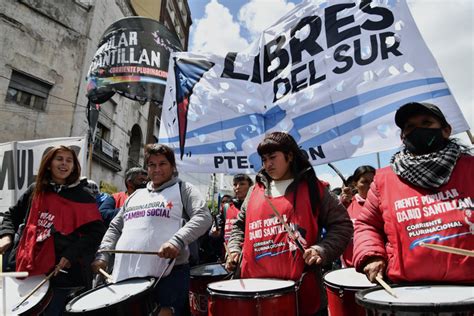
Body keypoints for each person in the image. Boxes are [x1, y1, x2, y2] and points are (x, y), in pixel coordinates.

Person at [226, 132, 353, 316]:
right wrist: (234, 250)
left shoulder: (313, 188)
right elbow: (239, 227)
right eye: (263, 159)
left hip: (302, 296)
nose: (267, 164)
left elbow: (342, 224)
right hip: (254, 295)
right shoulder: (254, 191)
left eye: (272, 157)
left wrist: (322, 250)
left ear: (290, 156)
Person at [353, 102, 474, 284]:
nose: (418, 130)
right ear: (403, 137)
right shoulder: (383, 180)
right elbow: (367, 225)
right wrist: (372, 256)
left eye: (426, 123)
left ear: (446, 130)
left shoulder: (470, 168)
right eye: (410, 127)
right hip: (408, 292)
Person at [91, 143, 212, 316]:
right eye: (152, 165)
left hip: (170, 274)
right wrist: (103, 254)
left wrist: (176, 242)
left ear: (172, 166)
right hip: (129, 275)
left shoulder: (183, 189)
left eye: (162, 164)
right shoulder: (135, 196)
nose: (157, 169)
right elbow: (115, 227)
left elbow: (204, 217)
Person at [0, 145, 105, 315]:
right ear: (49, 164)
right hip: (23, 266)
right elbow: (12, 215)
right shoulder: (36, 190)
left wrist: (70, 254)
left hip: (59, 273)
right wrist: (6, 236)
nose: (64, 164)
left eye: (69, 160)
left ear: (73, 167)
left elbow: (96, 233)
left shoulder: (83, 197)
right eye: (59, 159)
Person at [339, 165, 376, 267]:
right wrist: (342, 203)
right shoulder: (346, 205)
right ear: (355, 184)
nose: (370, 185)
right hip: (351, 268)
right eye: (365, 182)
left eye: (373, 181)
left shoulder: (384, 204)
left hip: (378, 268)